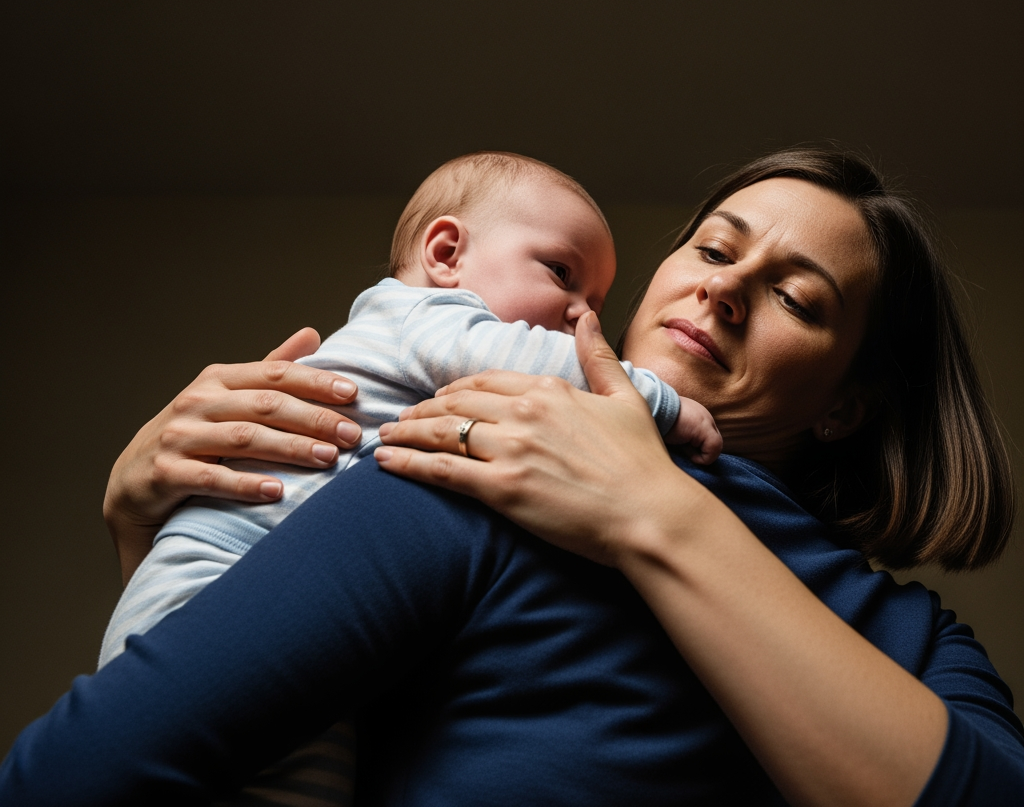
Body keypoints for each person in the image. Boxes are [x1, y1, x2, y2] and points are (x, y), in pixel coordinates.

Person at [2, 149, 1021, 806]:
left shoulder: (918, 640)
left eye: (797, 297)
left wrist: (658, 513)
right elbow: (83, 777)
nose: (725, 285)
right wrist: (169, 533)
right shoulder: (475, 457)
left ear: (845, 403)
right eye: (712, 245)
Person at [99, 152, 715, 670]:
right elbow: (535, 361)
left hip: (291, 593)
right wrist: (662, 402)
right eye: (562, 273)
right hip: (217, 566)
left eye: (597, 303)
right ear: (446, 254)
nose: (583, 317)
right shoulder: (424, 317)